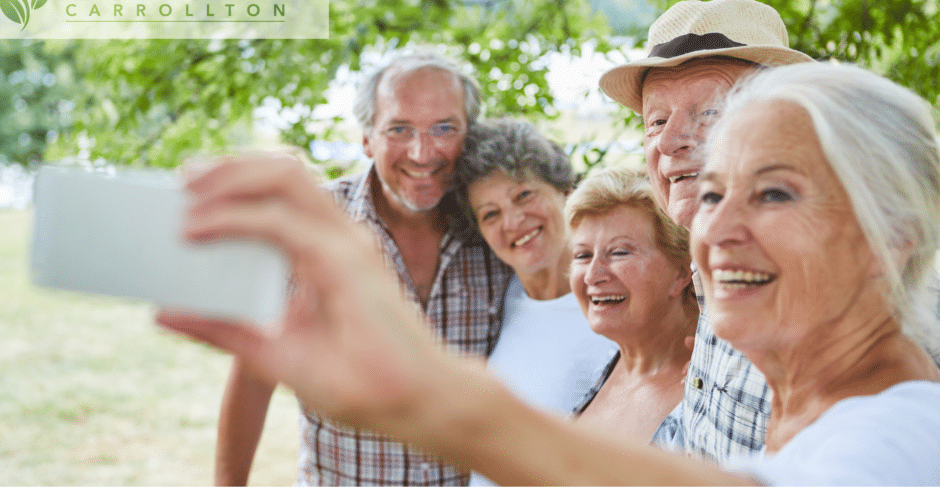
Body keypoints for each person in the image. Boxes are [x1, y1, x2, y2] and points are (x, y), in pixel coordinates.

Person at [158, 61, 940, 485]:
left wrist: (429, 396)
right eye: (708, 193)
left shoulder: (902, 432)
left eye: (774, 192)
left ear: (893, 233)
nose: (716, 229)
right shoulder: (796, 407)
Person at [212, 53, 514, 486]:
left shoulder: (499, 228)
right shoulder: (310, 226)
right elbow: (253, 376)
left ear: (470, 135)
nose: (422, 151)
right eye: (399, 129)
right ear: (368, 138)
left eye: (444, 128)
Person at [597, 0, 813, 462]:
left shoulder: (840, 286)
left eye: (710, 111)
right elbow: (695, 442)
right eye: (656, 120)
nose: (671, 141)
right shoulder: (713, 263)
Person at [452, 120, 617, 486]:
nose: (512, 221)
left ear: (565, 191)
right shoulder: (497, 300)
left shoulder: (615, 304)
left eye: (524, 195)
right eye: (490, 213)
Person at [564, 167, 696, 450]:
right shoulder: (610, 363)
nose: (592, 275)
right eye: (583, 255)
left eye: (620, 252)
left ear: (682, 272)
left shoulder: (709, 391)